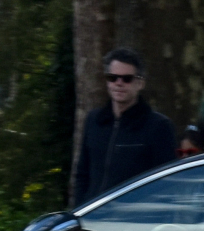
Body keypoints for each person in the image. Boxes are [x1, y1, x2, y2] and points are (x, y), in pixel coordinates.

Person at [72, 48, 178, 205]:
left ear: (140, 83)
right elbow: (82, 174)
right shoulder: (94, 120)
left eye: (126, 79)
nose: (118, 83)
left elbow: (165, 184)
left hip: (132, 221)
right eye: (112, 77)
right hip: (92, 217)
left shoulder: (158, 126)